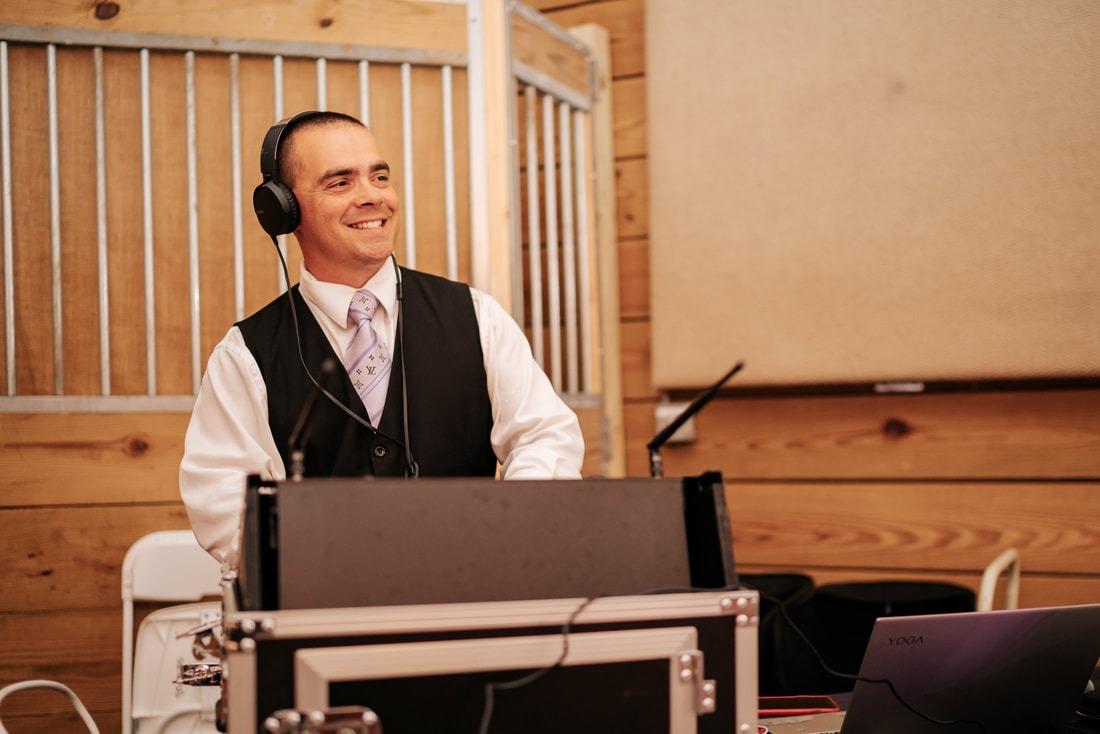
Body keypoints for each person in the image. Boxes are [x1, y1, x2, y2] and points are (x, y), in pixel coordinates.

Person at [180, 111, 584, 563]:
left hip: (473, 588)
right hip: (327, 598)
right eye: (341, 183)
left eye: (380, 177)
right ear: (285, 210)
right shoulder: (244, 356)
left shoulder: (478, 317)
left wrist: (508, 527)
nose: (373, 197)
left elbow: (544, 436)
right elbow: (224, 503)